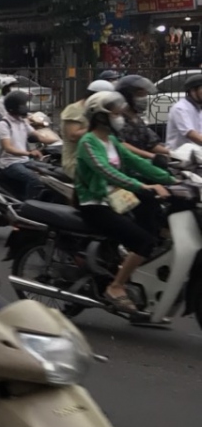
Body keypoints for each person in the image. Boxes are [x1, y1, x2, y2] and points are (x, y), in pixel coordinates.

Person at [75, 91, 172, 314]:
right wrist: (141, 186)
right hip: (96, 203)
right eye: (116, 114)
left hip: (116, 197)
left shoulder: (111, 141)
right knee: (144, 241)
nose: (120, 118)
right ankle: (116, 287)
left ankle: (128, 262)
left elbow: (137, 162)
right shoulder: (88, 142)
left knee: (154, 211)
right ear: (100, 117)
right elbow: (105, 171)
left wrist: (173, 179)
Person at [0, 90, 45, 200]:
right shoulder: (4, 124)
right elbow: (8, 148)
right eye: (23, 105)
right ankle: (30, 207)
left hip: (24, 160)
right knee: (34, 179)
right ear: (14, 107)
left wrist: (56, 141)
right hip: (10, 163)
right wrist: (29, 153)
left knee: (49, 174)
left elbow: (38, 135)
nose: (25, 107)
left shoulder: (22, 122)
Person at [60, 79, 115, 179]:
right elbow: (73, 136)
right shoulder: (74, 109)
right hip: (77, 161)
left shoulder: (101, 110)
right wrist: (99, 126)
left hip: (101, 157)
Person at [114, 75, 170, 161]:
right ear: (127, 96)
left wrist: (172, 154)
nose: (144, 98)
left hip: (144, 164)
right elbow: (121, 144)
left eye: (145, 94)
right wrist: (151, 156)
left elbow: (151, 144)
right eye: (140, 94)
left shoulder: (138, 119)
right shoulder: (117, 119)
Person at [166, 73, 202, 153]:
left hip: (196, 154)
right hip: (179, 157)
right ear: (193, 91)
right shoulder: (180, 108)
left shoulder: (198, 109)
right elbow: (191, 134)